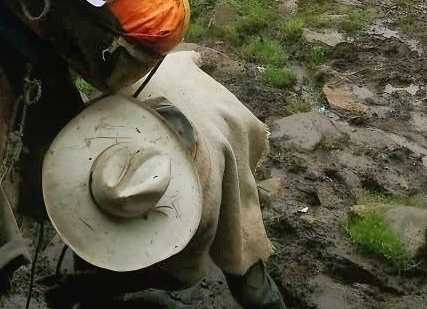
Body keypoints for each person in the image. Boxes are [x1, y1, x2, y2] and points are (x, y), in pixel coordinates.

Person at [39, 47, 286, 309]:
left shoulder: (199, 210)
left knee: (240, 247)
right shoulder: (96, 122)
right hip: (162, 75)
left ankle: (268, 300)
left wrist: (88, 285)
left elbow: (181, 275)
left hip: (219, 117)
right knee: (91, 245)